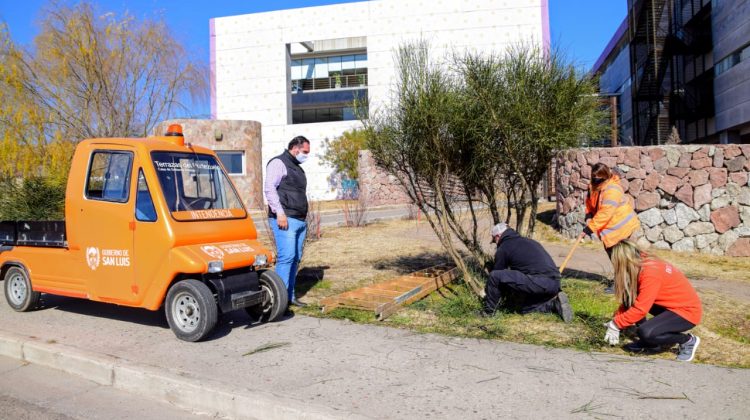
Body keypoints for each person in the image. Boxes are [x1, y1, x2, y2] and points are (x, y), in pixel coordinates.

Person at [603, 240, 702, 362]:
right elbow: (633, 300)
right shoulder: (641, 263)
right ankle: (650, 343)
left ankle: (687, 340)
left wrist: (616, 324)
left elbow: (640, 308)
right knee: (631, 298)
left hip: (687, 313)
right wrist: (617, 319)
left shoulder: (650, 272)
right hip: (670, 307)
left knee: (646, 332)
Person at [483, 223, 573, 322]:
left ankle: (488, 313)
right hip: (555, 284)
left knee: (494, 276)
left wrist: (487, 291)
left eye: (495, 241)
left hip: (539, 282)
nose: (496, 244)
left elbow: (497, 277)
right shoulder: (530, 242)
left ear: (498, 236)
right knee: (524, 309)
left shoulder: (504, 247)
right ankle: (554, 305)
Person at [264, 136, 311, 308]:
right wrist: (280, 213)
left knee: (295, 259)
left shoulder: (297, 168)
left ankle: (289, 296)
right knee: (287, 258)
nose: (306, 155)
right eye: (305, 152)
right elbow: (269, 188)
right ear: (295, 148)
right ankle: (279, 302)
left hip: (299, 220)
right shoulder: (278, 163)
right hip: (285, 219)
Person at [583, 163, 640, 259]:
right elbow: (590, 202)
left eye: (599, 176)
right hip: (609, 232)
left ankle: (640, 274)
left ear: (606, 175)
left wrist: (589, 228)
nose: (596, 178)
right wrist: (588, 214)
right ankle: (620, 274)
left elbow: (606, 212)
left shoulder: (612, 189)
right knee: (615, 259)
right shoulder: (593, 187)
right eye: (594, 176)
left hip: (623, 230)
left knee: (628, 259)